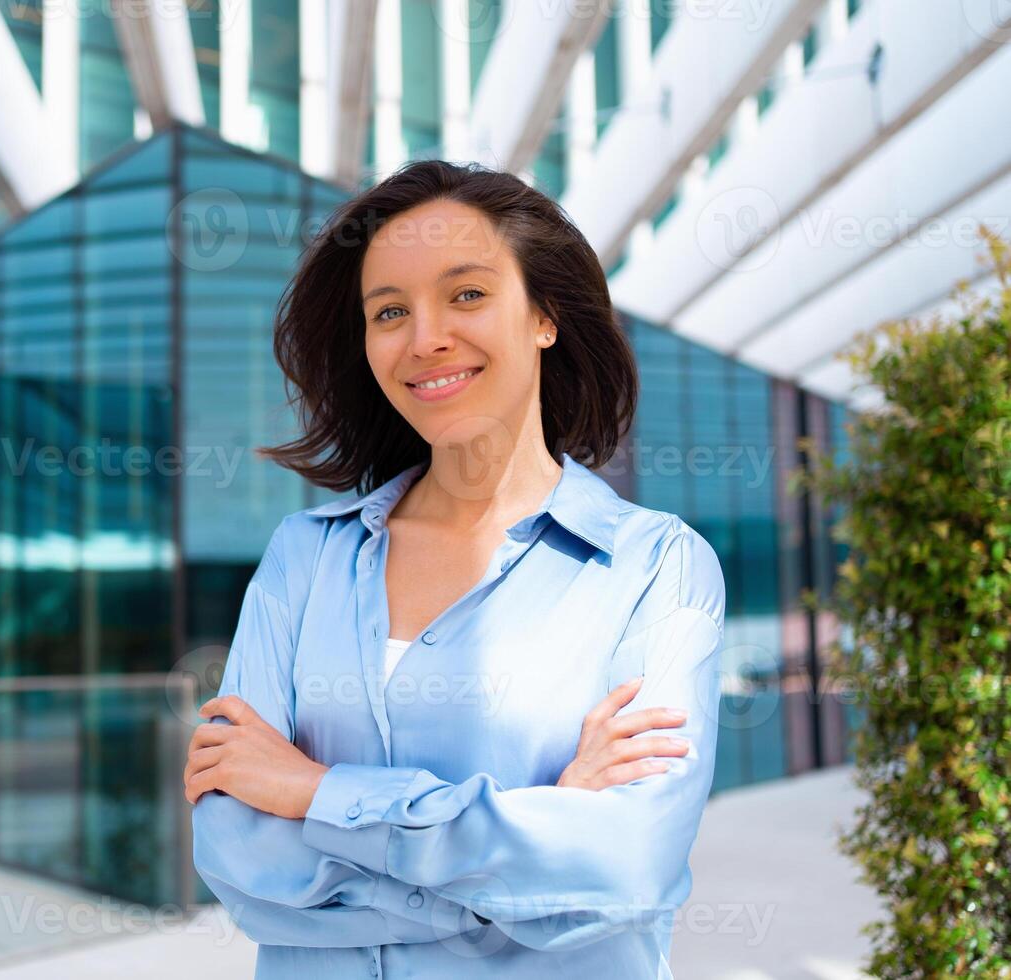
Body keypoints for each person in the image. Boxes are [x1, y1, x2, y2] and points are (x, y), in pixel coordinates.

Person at [184, 158, 727, 978]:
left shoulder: (655, 568)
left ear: (544, 315)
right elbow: (238, 858)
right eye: (390, 310)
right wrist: (527, 854)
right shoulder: (306, 559)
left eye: (466, 294)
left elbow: (623, 866)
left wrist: (312, 793)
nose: (424, 337)